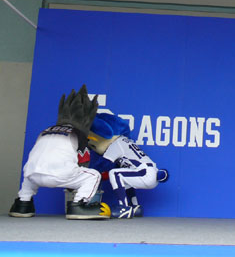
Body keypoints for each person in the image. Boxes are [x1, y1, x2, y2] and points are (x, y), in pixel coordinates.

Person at [9, 85, 111, 220]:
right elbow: (83, 162)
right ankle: (79, 205)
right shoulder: (79, 133)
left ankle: (23, 204)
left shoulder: (46, 130)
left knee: (31, 170)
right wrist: (73, 185)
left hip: (33, 175)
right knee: (94, 175)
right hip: (60, 175)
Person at [89, 112, 169, 219]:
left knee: (115, 174)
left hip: (144, 172)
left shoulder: (116, 143)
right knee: (124, 177)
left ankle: (123, 207)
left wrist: (89, 172)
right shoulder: (125, 141)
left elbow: (104, 163)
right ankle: (135, 206)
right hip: (151, 172)